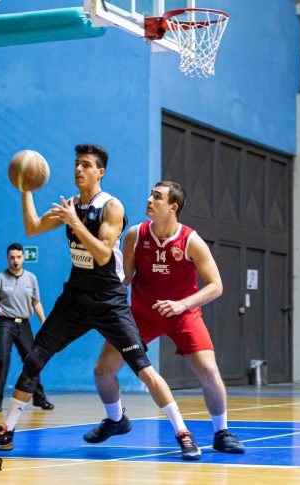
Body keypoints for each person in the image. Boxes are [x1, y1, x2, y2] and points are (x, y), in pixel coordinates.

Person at [0, 144, 201, 460]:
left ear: (100, 172)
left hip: (109, 300)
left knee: (143, 369)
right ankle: (7, 431)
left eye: (86, 164)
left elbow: (102, 253)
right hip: (75, 299)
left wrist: (75, 222)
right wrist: (25, 188)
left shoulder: (111, 207)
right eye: (76, 164)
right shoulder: (72, 207)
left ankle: (183, 433)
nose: (78, 169)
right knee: (34, 359)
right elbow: (32, 227)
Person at [85, 181, 245, 454]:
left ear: (173, 207)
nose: (149, 199)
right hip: (140, 315)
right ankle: (115, 420)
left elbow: (216, 286)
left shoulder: (191, 241)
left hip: (183, 313)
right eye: (150, 194)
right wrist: (103, 276)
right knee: (102, 371)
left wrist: (182, 305)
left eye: (157, 197)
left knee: (209, 371)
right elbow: (125, 279)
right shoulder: (135, 234)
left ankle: (222, 433)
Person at [0, 243, 54, 412]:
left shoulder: (31, 278)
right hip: (4, 324)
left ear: (23, 257)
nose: (15, 260)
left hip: (24, 325)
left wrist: (44, 322)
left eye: (18, 257)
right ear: (8, 258)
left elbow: (36, 302)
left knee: (33, 361)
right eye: (12, 257)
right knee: (2, 360)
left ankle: (39, 398)